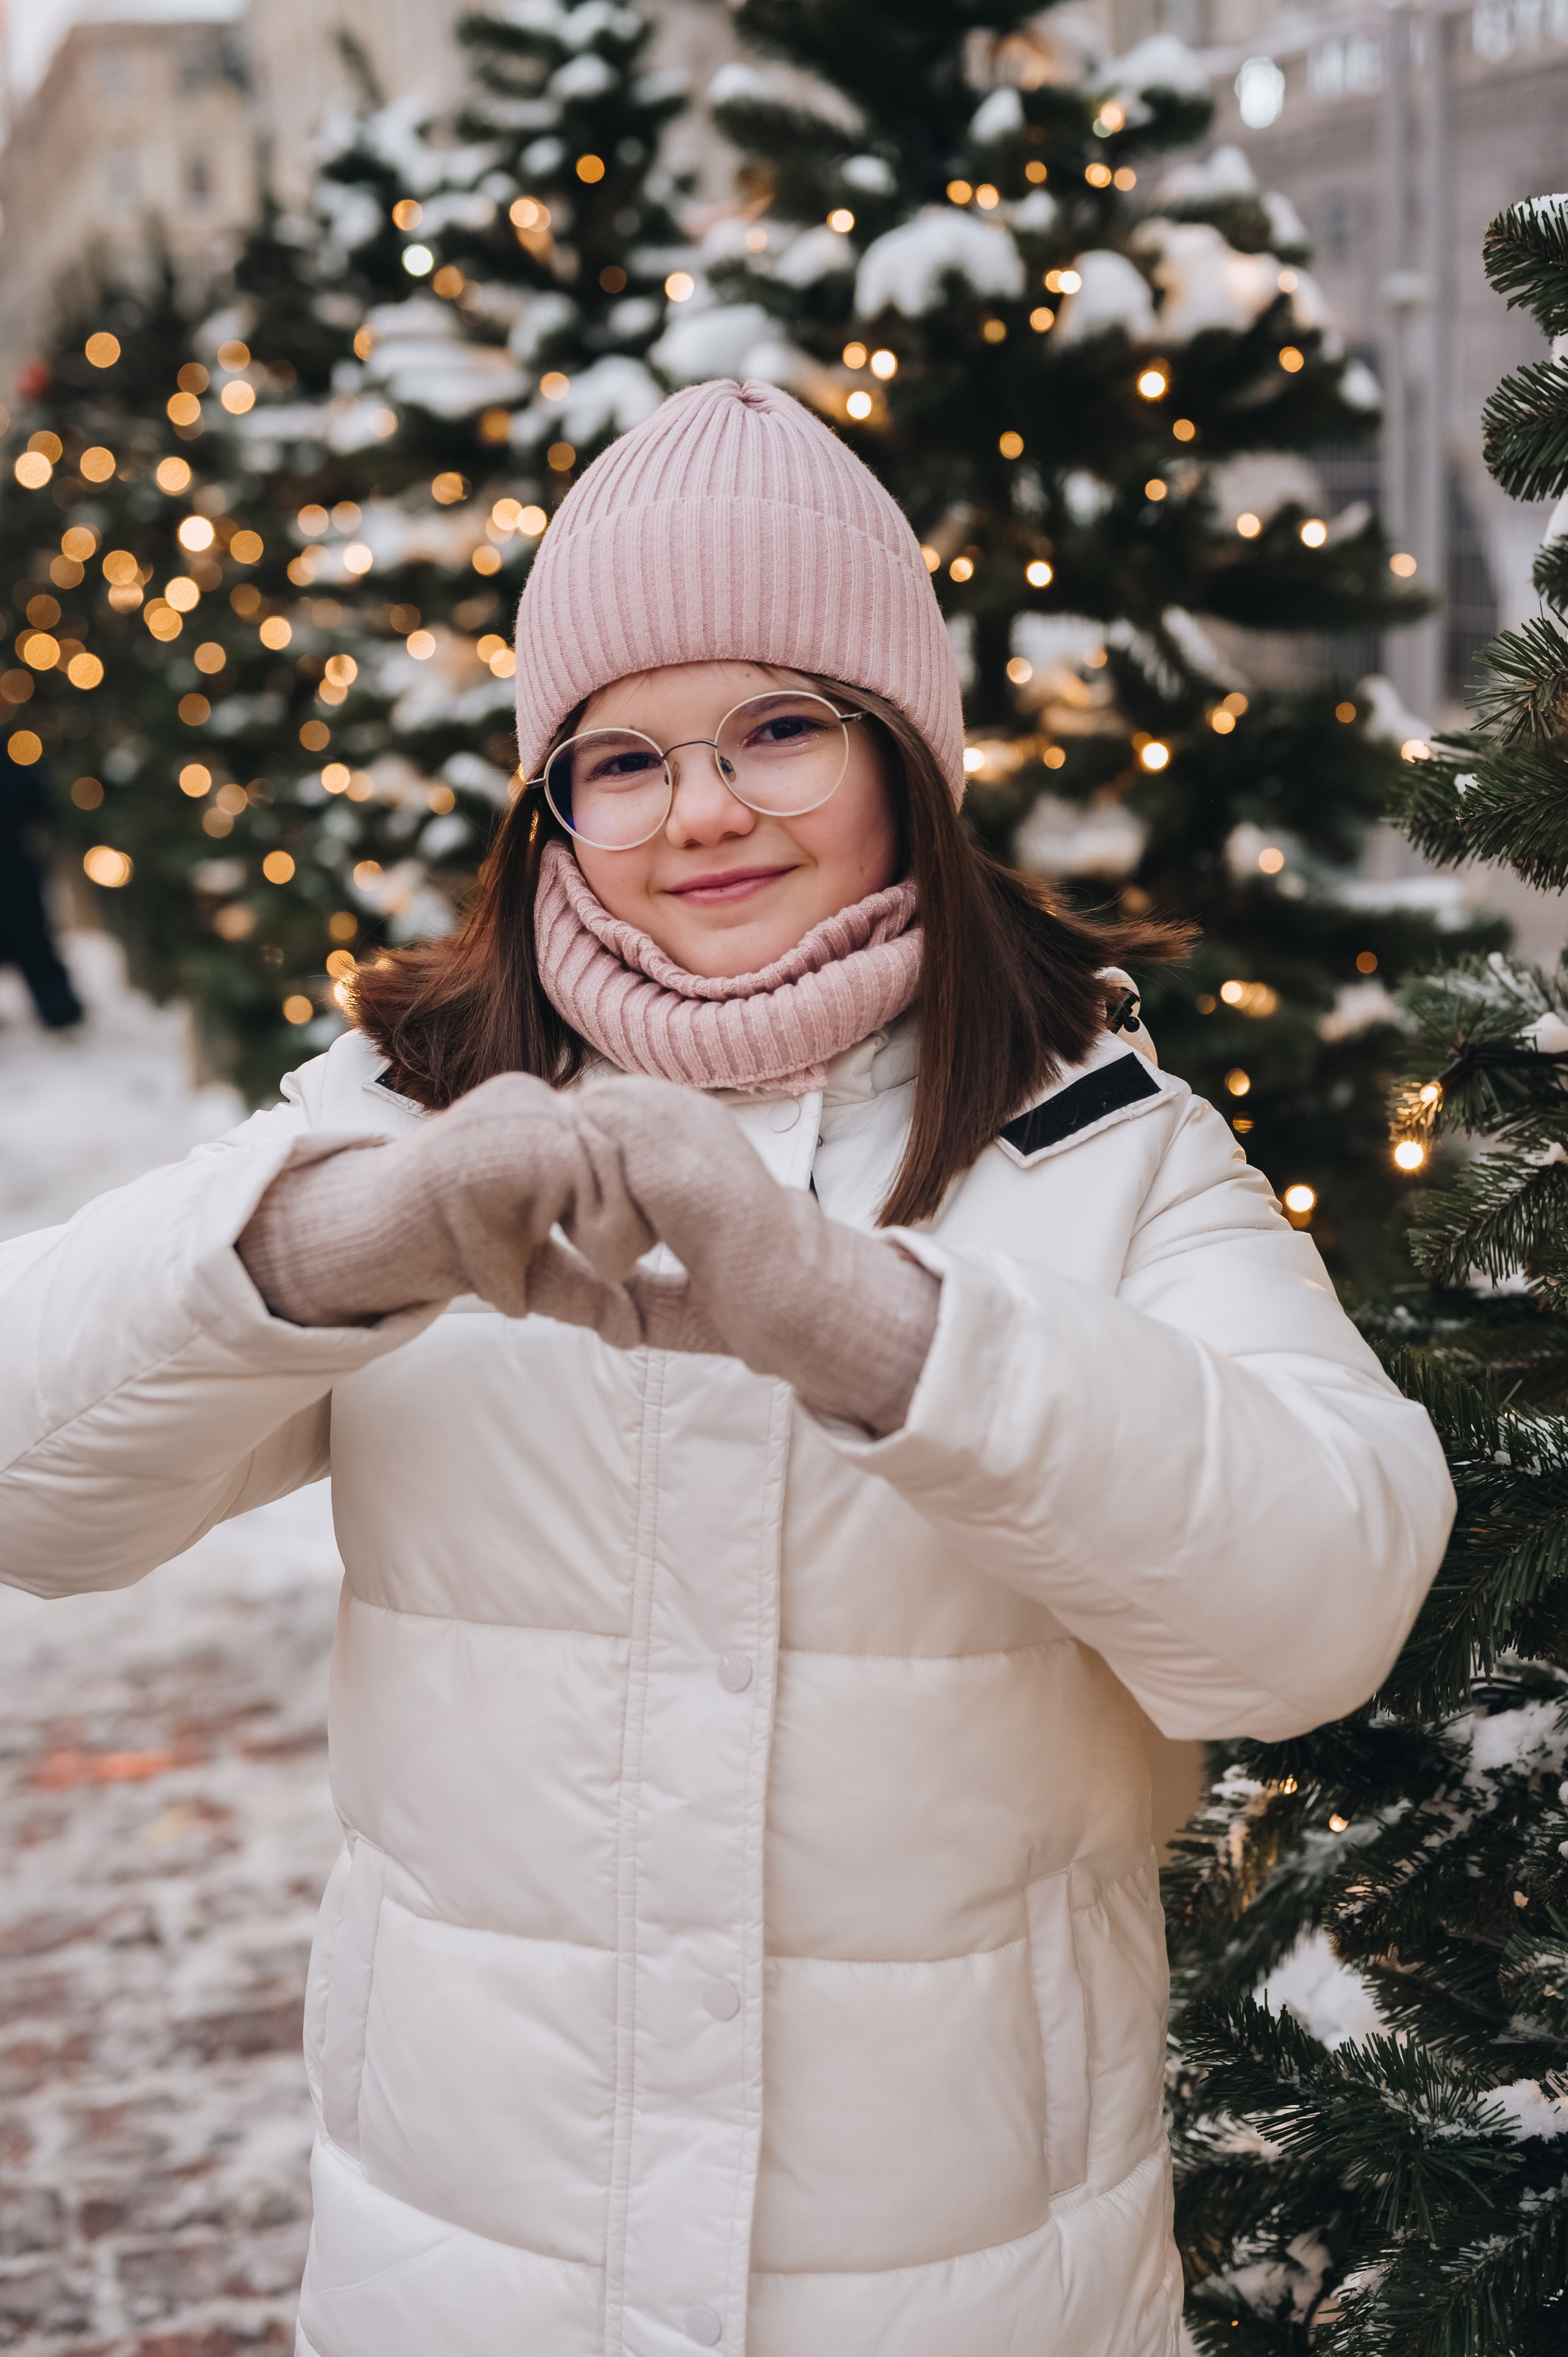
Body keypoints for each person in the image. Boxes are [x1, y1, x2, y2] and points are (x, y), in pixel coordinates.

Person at [0, 380, 1453, 2357]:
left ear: (904, 758)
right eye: (624, 757)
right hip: (471, 2278)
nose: (702, 811)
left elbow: (1324, 1599)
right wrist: (353, 1233)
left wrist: (871, 1325)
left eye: (781, 726)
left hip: (969, 2292)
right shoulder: (408, 1101)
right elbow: (35, 1482)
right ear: (553, 800)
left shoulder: (1094, 1136)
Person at [0, 744, 84, 1030]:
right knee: (32, 940)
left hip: (12, 871)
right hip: (14, 871)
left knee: (32, 942)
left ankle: (61, 1013)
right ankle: (60, 1012)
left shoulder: (11, 760)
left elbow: (37, 804)